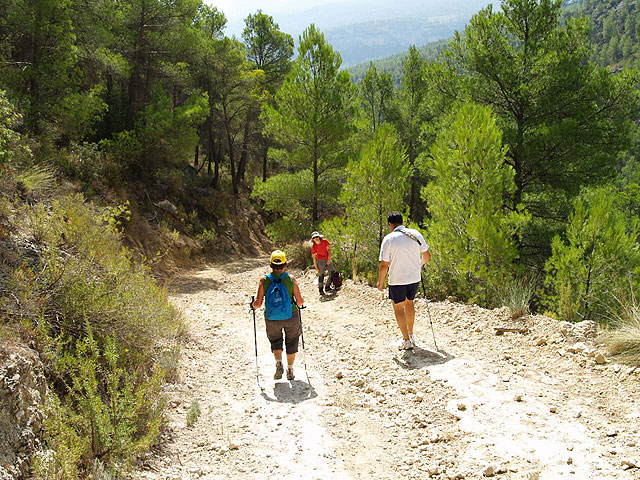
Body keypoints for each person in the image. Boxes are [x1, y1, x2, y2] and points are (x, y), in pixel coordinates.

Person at [377, 212, 431, 350]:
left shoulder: (389, 239)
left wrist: (380, 283)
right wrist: (418, 265)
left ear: (390, 224)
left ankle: (406, 340)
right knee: (409, 303)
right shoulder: (415, 234)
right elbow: (427, 255)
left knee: (398, 307)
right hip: (414, 277)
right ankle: (411, 335)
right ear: (402, 221)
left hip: (397, 279)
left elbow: (384, 265)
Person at [252, 250, 305, 380]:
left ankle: (279, 363)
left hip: (272, 317)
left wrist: (252, 305)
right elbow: (300, 301)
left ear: (271, 264)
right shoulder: (290, 279)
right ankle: (290, 370)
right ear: (285, 264)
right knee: (292, 341)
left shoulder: (264, 280)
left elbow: (258, 303)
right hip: (290, 315)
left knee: (276, 341)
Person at [311, 231, 335, 296]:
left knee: (332, 272)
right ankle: (321, 290)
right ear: (313, 239)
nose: (316, 238)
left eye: (317, 237)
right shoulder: (314, 247)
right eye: (314, 237)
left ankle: (327, 287)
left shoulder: (324, 241)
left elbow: (329, 250)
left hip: (327, 258)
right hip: (320, 261)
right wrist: (316, 267)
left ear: (319, 237)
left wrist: (329, 259)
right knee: (321, 275)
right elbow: (314, 258)